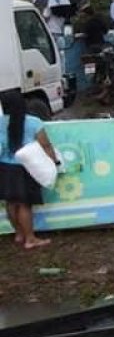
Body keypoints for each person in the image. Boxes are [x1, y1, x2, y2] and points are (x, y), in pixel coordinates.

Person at [0, 90, 59, 250]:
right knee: (24, 204)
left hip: (4, 167)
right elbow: (45, 144)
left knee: (11, 202)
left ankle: (19, 234)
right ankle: (30, 239)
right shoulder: (33, 122)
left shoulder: (0, 122)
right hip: (26, 168)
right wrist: (54, 161)